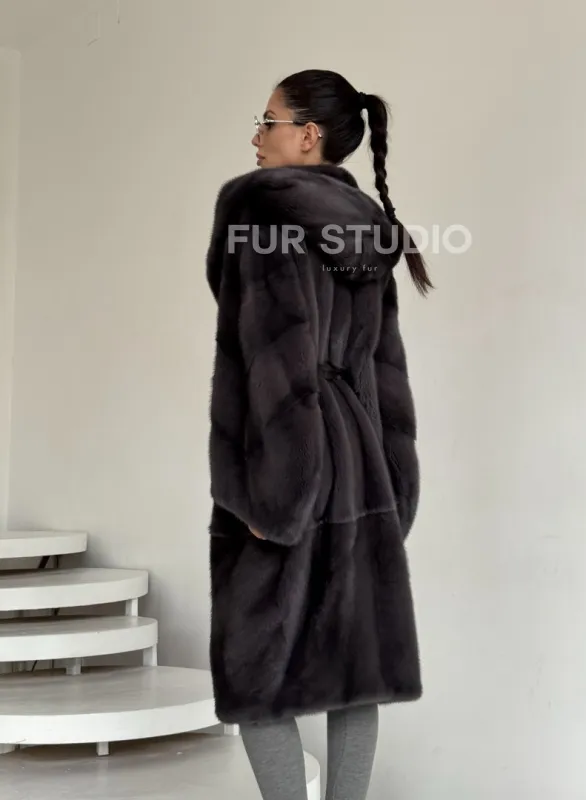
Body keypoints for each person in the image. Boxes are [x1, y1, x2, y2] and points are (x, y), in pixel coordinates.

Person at [205, 68, 432, 800]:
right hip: (360, 459)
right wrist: (395, 484)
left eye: (267, 120)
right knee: (353, 663)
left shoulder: (260, 208)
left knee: (253, 673)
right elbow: (384, 368)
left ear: (307, 134)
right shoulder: (365, 219)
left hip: (290, 459)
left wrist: (271, 497)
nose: (255, 136)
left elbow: (274, 363)